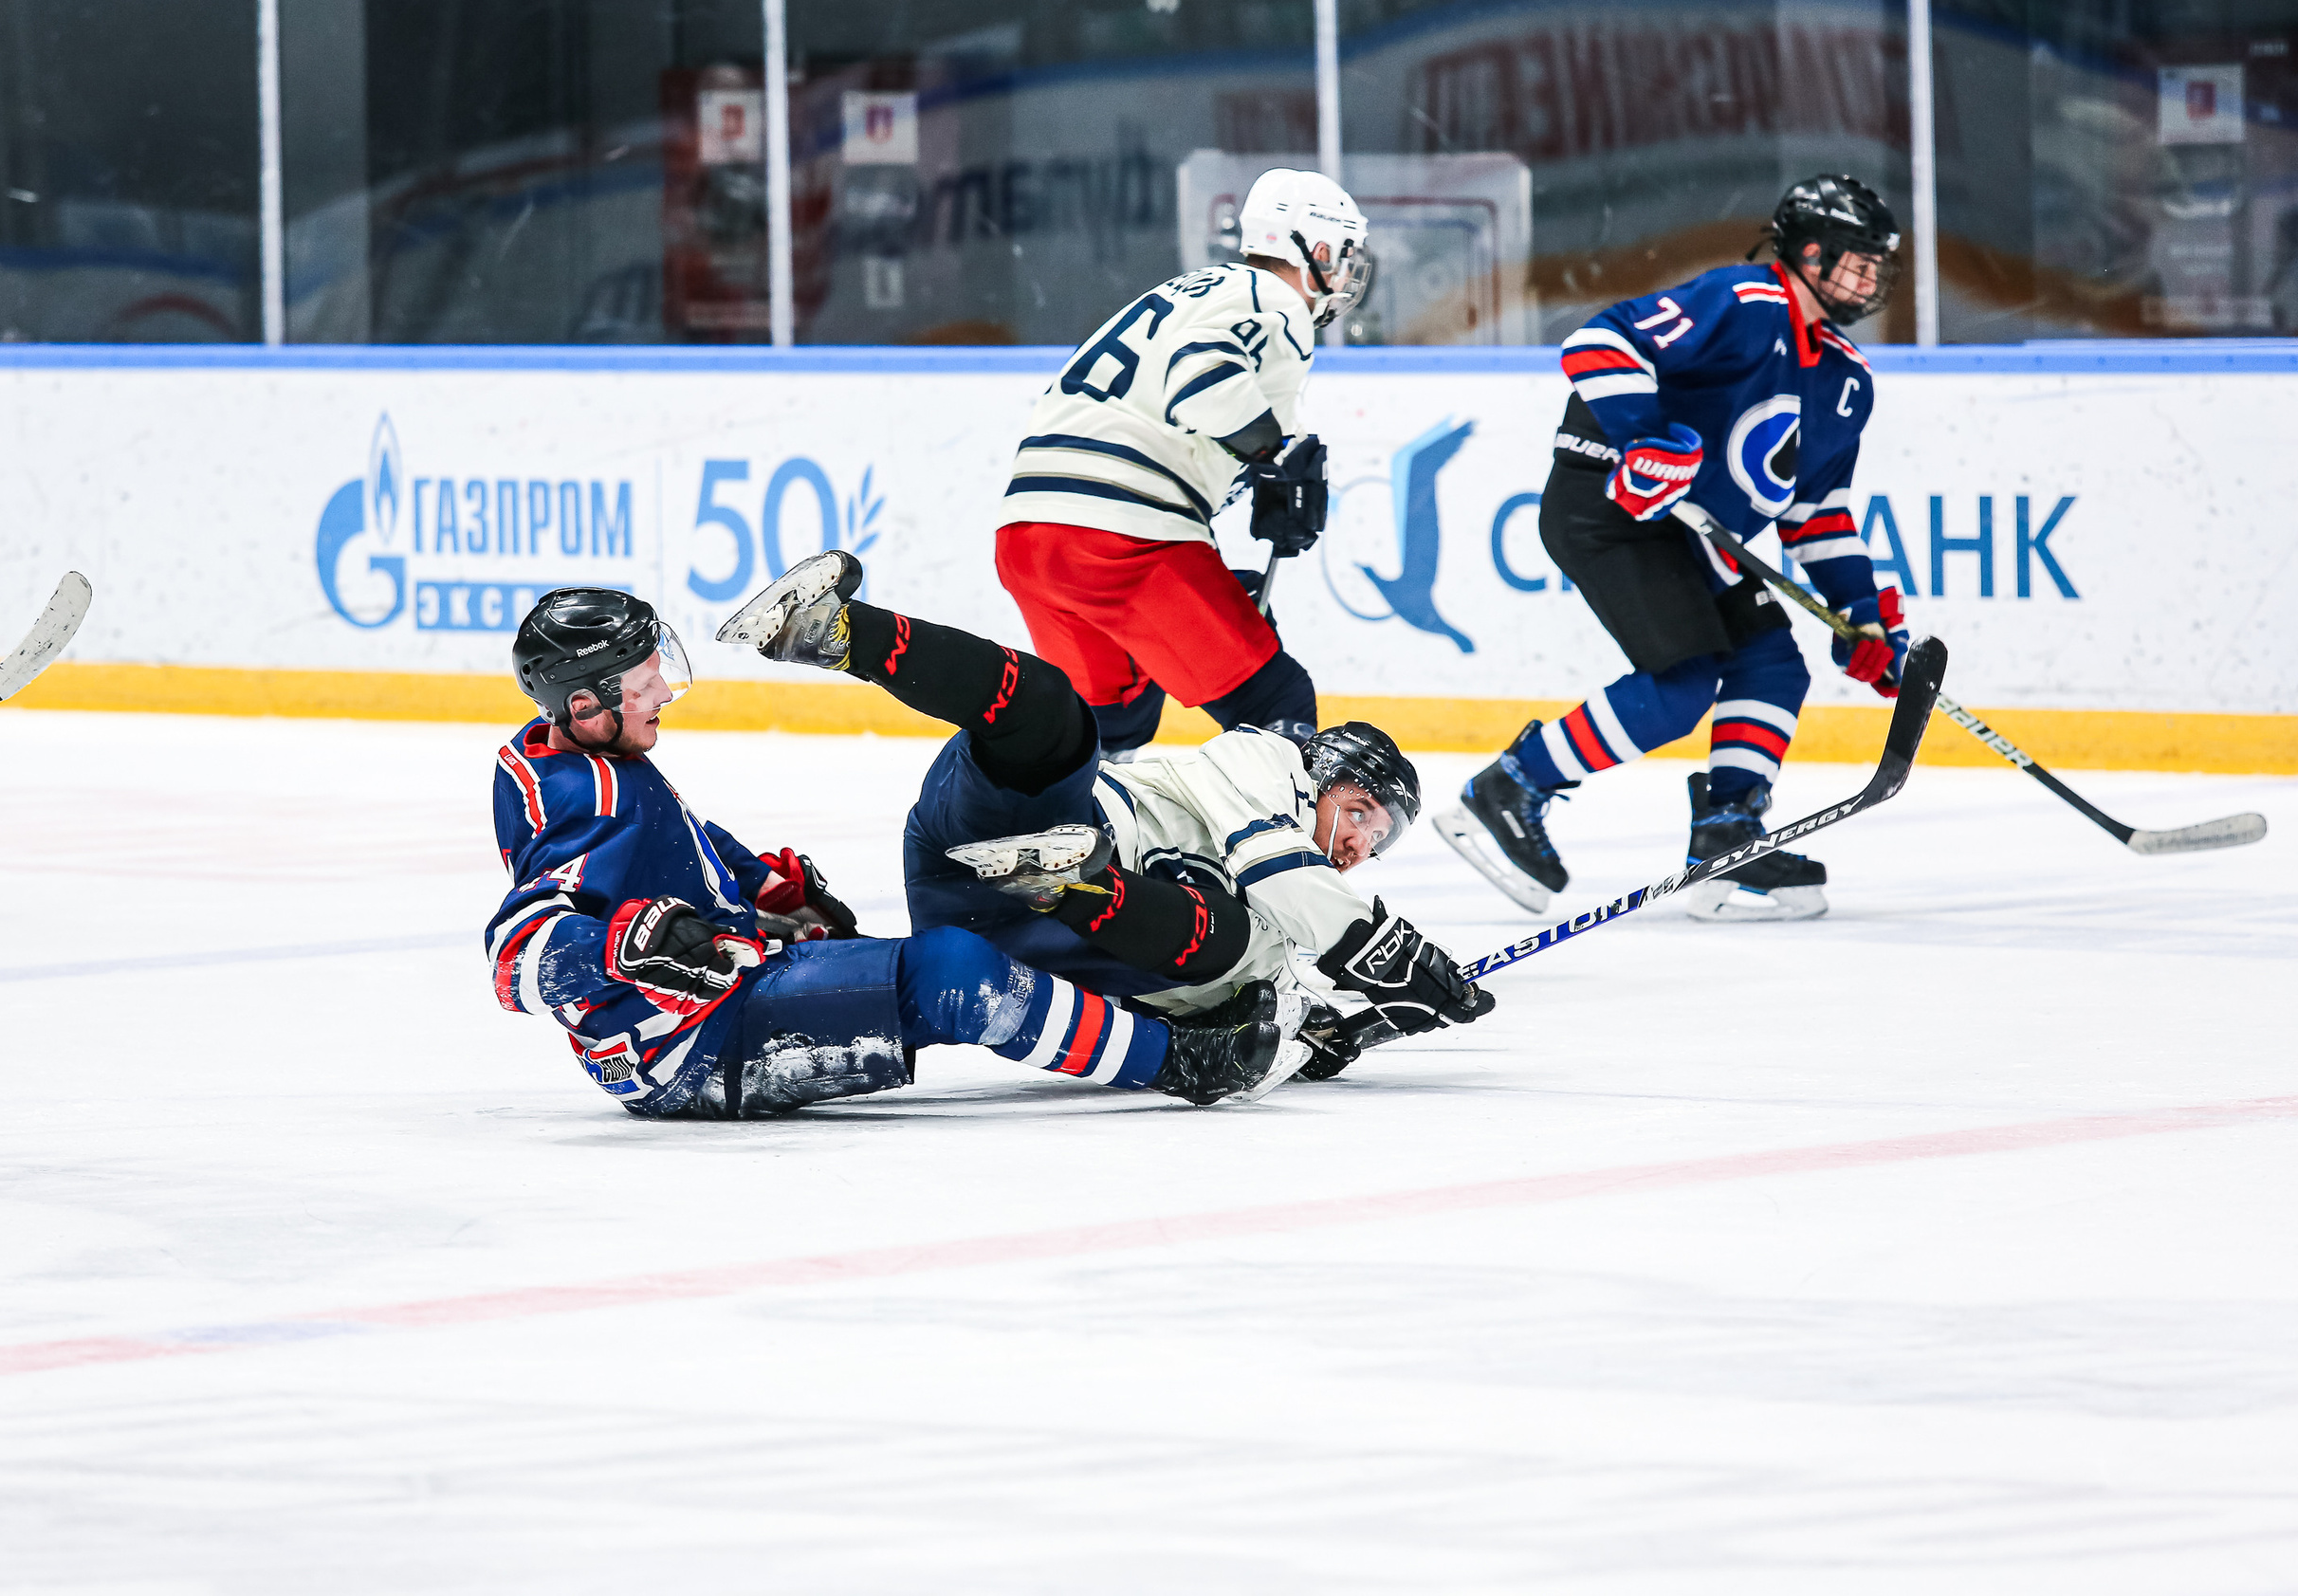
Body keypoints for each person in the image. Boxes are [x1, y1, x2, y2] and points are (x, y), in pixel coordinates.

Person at [485, 588, 1306, 1117]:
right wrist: (630, 945)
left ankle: (1153, 1017)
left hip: (714, 999)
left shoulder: (581, 757)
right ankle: (1183, 1064)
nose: (663, 691)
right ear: (584, 703)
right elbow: (516, 955)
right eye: (642, 683)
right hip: (686, 1048)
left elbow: (679, 839)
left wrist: (762, 887)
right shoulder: (580, 796)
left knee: (964, 956)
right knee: (954, 972)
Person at [716, 550, 1492, 1080]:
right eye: (1360, 813)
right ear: (1321, 776)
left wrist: (1341, 1027)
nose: (1359, 845)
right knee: (1054, 711)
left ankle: (1066, 885)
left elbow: (1272, 1014)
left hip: (1015, 955)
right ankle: (837, 632)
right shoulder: (1269, 761)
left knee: (1246, 952)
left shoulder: (1296, 928)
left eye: (1378, 842)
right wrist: (1389, 955)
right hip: (1029, 827)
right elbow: (1275, 868)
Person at [1433, 174, 1913, 923]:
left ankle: (1726, 836)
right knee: (1682, 685)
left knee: (1772, 664)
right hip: (1610, 504)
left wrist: (1861, 612)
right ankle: (1509, 787)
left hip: (1693, 532)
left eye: (1877, 263)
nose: (1870, 277)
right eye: (1858, 259)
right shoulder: (1746, 302)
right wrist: (1645, 437)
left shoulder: (1847, 381)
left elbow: (1815, 512)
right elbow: (1600, 341)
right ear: (1811, 254)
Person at [993, 167, 1371, 757]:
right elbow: (1199, 375)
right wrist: (1275, 454)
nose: (1346, 272)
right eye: (1343, 254)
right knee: (1275, 703)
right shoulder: (1276, 302)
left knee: (1115, 722)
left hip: (1028, 534)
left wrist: (1261, 473)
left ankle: (1084, 818)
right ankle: (1279, 824)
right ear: (1315, 250)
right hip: (1121, 537)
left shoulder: (1187, 291)